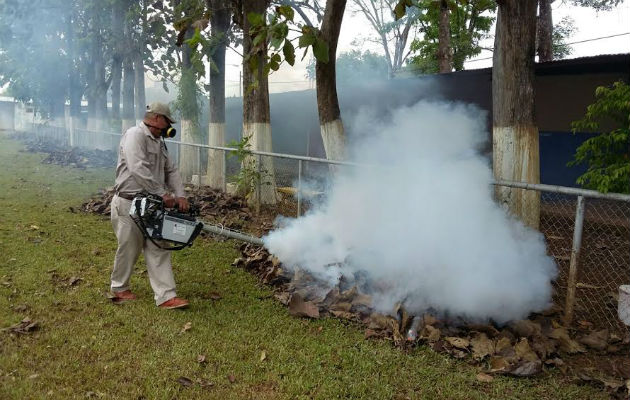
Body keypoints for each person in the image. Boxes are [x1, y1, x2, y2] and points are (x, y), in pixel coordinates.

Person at [109, 102, 190, 309]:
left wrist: (180, 195)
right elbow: (138, 168)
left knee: (159, 246)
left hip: (151, 205)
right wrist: (162, 193)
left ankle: (166, 296)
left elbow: (171, 170)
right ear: (155, 118)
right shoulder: (135, 135)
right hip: (129, 202)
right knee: (129, 247)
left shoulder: (159, 142)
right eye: (166, 121)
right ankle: (119, 288)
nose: (167, 126)